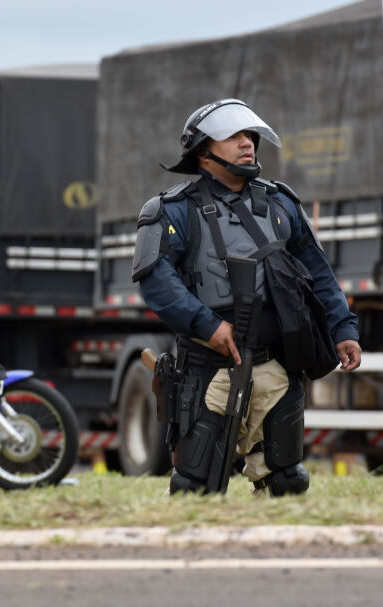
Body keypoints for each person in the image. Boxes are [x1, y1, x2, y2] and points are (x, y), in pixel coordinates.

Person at [131, 98, 361, 496]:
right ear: (203, 149)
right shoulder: (171, 210)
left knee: (286, 483)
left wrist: (343, 328)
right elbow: (157, 282)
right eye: (233, 136)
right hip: (206, 371)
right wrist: (207, 325)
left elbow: (318, 274)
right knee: (194, 489)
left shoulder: (281, 203)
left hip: (276, 367)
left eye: (250, 135)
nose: (247, 143)